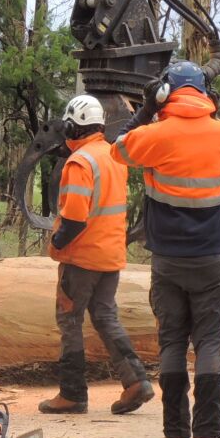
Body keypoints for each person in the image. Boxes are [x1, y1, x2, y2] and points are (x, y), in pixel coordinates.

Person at [112, 61, 220, 438]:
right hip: (209, 259)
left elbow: (117, 146)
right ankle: (208, 437)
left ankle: (174, 437)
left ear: (164, 94)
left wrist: (147, 112)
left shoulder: (153, 135)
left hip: (166, 260)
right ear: (207, 95)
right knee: (208, 343)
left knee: (172, 343)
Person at [39, 94, 154, 417]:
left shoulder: (80, 163)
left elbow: (75, 216)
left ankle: (72, 394)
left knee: (69, 321)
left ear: (75, 127)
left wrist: (58, 244)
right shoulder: (112, 155)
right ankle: (135, 381)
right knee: (105, 317)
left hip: (81, 259)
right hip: (111, 255)